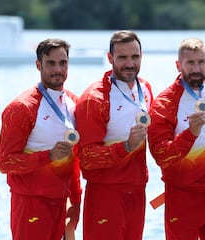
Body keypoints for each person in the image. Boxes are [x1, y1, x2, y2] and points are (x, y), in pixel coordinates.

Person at [0, 38, 82, 240]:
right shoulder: (22, 108)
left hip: (63, 203)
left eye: (62, 63)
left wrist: (76, 201)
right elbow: (5, 163)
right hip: (31, 203)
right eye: (51, 63)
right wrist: (48, 156)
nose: (57, 69)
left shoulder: (73, 102)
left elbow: (75, 159)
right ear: (38, 65)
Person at [147, 38, 205, 240]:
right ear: (178, 65)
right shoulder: (165, 103)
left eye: (201, 62)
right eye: (190, 63)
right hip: (182, 196)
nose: (196, 68)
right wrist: (190, 134)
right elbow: (161, 155)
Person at [75, 30, 153, 240]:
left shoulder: (144, 88)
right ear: (110, 58)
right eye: (122, 57)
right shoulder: (95, 99)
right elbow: (86, 157)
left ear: (141, 55)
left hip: (137, 190)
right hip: (106, 193)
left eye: (134, 57)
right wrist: (126, 146)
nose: (130, 64)